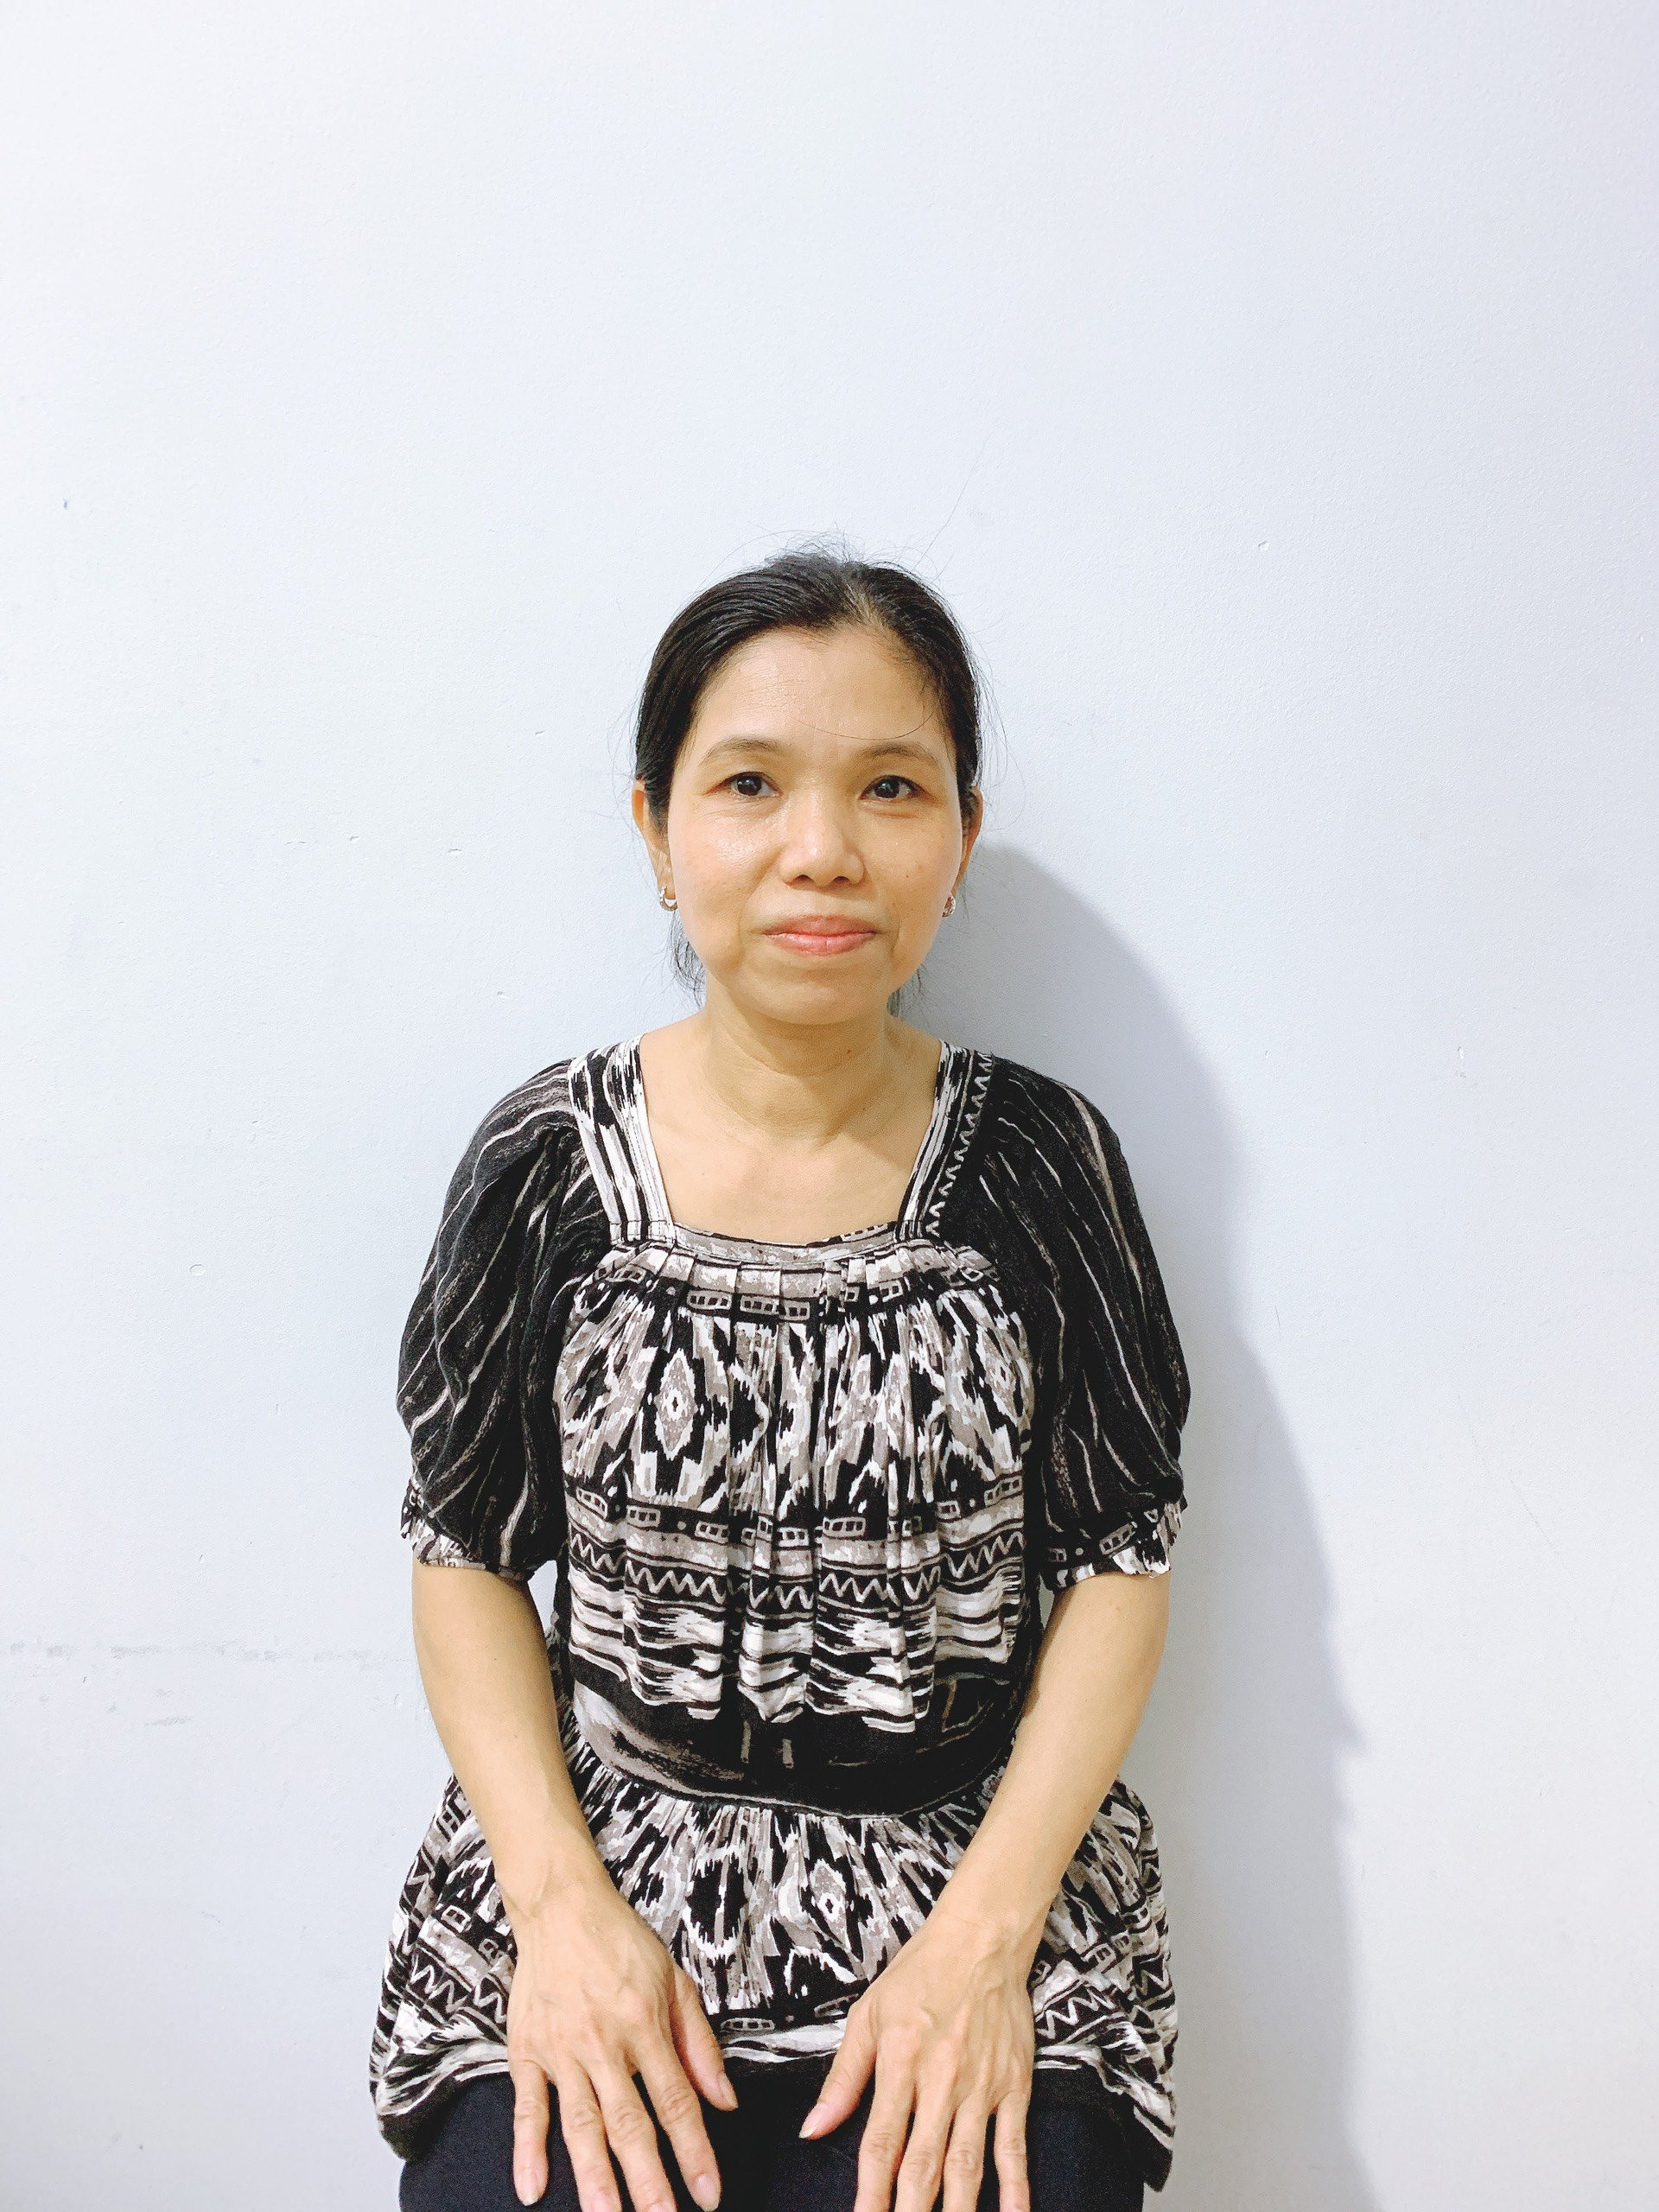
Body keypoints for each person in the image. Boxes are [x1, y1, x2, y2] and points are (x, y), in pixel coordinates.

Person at [370, 549, 1191, 2212]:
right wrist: (563, 1916)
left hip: (974, 1887)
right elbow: (464, 1553)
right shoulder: (546, 1162)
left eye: (892, 786)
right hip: (606, 1876)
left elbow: (1120, 1558)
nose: (823, 848)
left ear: (960, 835)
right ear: (656, 828)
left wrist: (983, 1947)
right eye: (750, 783)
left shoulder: (1042, 1162)